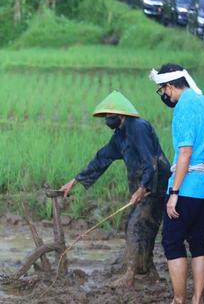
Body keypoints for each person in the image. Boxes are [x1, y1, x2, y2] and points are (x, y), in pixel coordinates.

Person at [60, 91, 170, 287]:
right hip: (142, 187)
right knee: (143, 227)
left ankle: (130, 275)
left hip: (155, 186)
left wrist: (143, 188)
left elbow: (150, 161)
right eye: (106, 116)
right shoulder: (120, 135)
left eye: (110, 115)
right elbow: (102, 158)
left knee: (135, 226)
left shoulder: (139, 127)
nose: (107, 119)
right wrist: (75, 181)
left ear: (121, 114)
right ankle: (149, 271)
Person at [150, 64, 204, 304]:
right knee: (198, 240)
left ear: (170, 86)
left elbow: (185, 153)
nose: (163, 95)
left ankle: (179, 300)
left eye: (162, 90)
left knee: (172, 241)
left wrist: (175, 192)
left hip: (188, 187)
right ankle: (197, 299)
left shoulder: (184, 108)